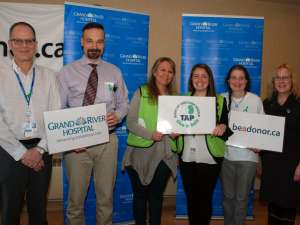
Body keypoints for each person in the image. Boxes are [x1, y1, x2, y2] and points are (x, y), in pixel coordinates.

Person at [57, 22, 129, 225]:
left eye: (99, 41)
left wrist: (118, 115)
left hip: (107, 141)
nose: (94, 46)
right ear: (82, 42)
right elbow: (58, 109)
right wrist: (70, 140)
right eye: (90, 41)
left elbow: (124, 103)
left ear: (104, 44)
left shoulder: (114, 72)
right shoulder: (66, 72)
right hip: (76, 145)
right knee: (75, 201)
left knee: (106, 198)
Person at [0, 21, 61, 225]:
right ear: (10, 44)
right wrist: (22, 153)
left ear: (36, 44)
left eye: (29, 41)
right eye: (18, 40)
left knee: (39, 208)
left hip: (42, 150)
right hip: (8, 151)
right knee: (10, 208)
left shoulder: (49, 76)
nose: (24, 45)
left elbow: (56, 114)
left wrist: (39, 149)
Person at [123, 57, 179, 225]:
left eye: (170, 71)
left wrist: (177, 134)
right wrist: (149, 134)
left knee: (156, 196)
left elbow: (178, 125)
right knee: (140, 195)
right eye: (162, 70)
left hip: (165, 153)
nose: (166, 74)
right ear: (154, 72)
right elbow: (130, 122)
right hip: (140, 152)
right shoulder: (141, 92)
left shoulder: (175, 98)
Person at [178, 64, 231, 225]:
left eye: (204, 76)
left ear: (209, 80)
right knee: (191, 197)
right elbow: (176, 124)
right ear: (191, 79)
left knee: (204, 197)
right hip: (187, 155)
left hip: (210, 156)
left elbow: (226, 127)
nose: (199, 80)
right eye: (196, 76)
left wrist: (223, 127)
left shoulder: (220, 100)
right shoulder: (182, 98)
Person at [220, 64, 264, 225]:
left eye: (241, 78)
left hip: (248, 158)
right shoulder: (221, 99)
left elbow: (263, 130)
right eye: (234, 78)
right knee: (227, 198)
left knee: (241, 200)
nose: (237, 81)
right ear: (228, 80)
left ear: (246, 81)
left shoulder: (255, 100)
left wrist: (259, 144)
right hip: (225, 157)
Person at [260, 63, 300, 225]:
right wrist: (258, 160)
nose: (281, 81)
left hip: (292, 165)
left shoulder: (299, 104)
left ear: (292, 81)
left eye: (285, 77)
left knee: (287, 207)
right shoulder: (267, 104)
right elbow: (260, 134)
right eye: (278, 77)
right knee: (273, 207)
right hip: (270, 163)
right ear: (273, 81)